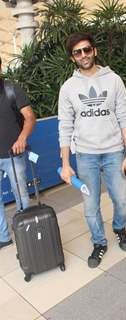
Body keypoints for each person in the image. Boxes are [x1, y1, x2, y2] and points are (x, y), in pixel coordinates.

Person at [58, 32, 126, 268]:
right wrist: (66, 163)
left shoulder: (114, 80)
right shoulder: (68, 88)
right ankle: (99, 242)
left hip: (113, 151)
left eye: (87, 50)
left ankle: (119, 227)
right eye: (77, 52)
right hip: (85, 156)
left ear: (95, 51)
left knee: (120, 199)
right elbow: (65, 126)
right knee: (91, 207)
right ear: (73, 58)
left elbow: (124, 117)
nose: (83, 55)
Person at [0, 56, 36, 249]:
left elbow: (29, 117)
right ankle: (3, 237)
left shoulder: (12, 89)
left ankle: (25, 230)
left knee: (21, 194)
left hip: (14, 155)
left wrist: (22, 138)